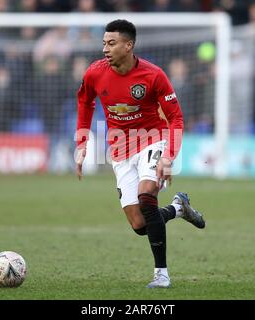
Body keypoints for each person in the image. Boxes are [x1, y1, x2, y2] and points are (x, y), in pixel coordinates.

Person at [75, 19, 205, 288]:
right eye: (104, 43)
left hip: (152, 141)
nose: (105, 49)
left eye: (111, 44)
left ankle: (161, 275)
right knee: (139, 224)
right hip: (120, 150)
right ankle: (179, 208)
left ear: (128, 45)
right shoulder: (94, 73)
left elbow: (176, 119)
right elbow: (85, 102)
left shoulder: (153, 75)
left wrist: (168, 155)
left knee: (147, 195)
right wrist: (82, 141)